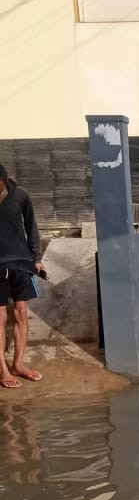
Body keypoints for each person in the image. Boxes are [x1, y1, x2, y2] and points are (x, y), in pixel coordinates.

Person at [0, 164, 45, 389]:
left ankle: (18, 364)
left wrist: (36, 258)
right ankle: (3, 369)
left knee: (21, 313)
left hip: (20, 262)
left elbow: (31, 226)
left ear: (4, 181)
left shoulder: (21, 195)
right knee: (0, 318)